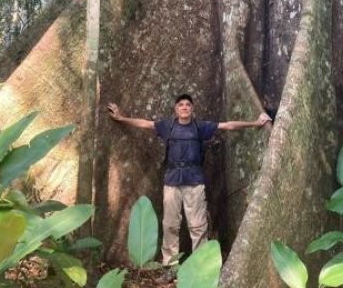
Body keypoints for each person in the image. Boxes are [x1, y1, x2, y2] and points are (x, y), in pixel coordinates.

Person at [107, 93, 271, 266]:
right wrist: (121, 118)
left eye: (187, 105)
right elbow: (145, 123)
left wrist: (255, 123)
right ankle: (170, 265)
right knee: (170, 225)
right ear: (176, 109)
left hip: (194, 182)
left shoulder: (200, 127)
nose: (184, 107)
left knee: (198, 226)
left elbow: (228, 125)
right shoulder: (167, 126)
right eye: (181, 105)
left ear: (192, 109)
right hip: (172, 182)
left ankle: (201, 266)